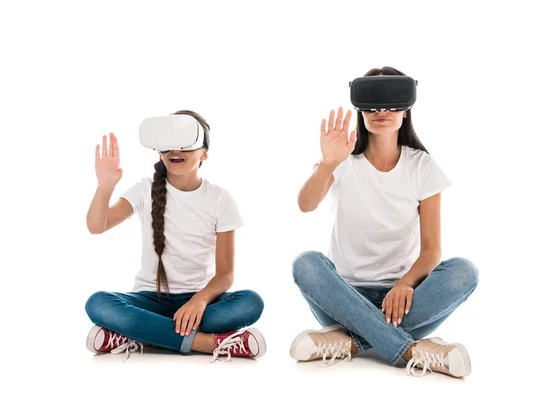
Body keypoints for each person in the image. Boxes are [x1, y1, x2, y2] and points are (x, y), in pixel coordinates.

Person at [289, 67, 479, 378]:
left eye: (392, 104)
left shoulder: (423, 166)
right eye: (373, 105)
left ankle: (349, 341)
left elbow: (431, 250)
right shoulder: (343, 162)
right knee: (305, 263)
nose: (382, 111)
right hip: (343, 298)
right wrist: (327, 163)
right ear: (360, 111)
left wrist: (405, 284)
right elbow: (305, 204)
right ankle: (411, 350)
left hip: (405, 302)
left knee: (464, 272)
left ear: (406, 112)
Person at [84, 110, 266, 362]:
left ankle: (139, 333)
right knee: (98, 303)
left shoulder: (220, 199)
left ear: (204, 153)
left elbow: (225, 273)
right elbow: (96, 226)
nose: (174, 151)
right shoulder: (144, 190)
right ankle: (209, 343)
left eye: (185, 143)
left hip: (200, 302)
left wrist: (199, 301)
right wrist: (105, 187)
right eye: (167, 144)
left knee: (250, 302)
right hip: (148, 299)